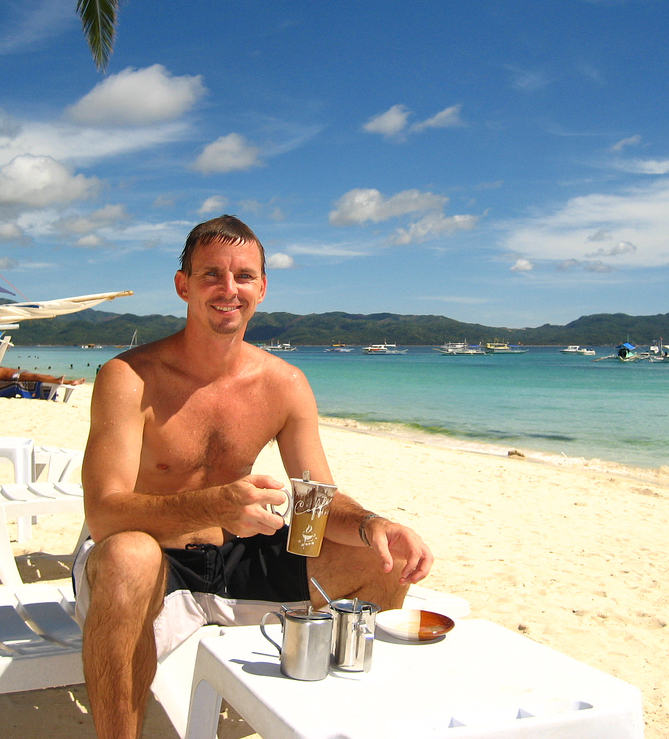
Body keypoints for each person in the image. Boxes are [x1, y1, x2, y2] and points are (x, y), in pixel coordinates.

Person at [75, 215, 433, 738]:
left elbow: (313, 510)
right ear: (183, 286)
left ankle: (326, 721)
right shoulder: (128, 377)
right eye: (210, 275)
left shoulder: (284, 384)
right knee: (130, 556)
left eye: (243, 276)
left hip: (239, 558)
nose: (228, 289)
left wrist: (371, 524)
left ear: (262, 288)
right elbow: (103, 514)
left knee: (384, 558)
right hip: (149, 568)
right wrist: (212, 505)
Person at [0, 358, 85, 385]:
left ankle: (69, 381)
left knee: (42, 375)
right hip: (15, 376)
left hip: (18, 373)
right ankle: (63, 381)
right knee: (37, 376)